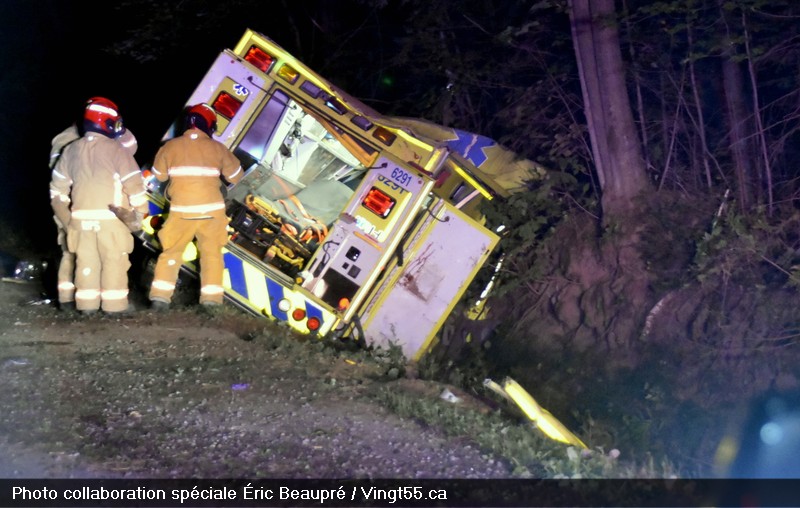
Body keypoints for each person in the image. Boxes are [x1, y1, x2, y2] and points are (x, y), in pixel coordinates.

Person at [49, 97, 148, 315]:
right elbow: (134, 184)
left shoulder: (70, 149)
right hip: (111, 218)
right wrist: (140, 212)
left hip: (80, 218)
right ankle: (114, 306)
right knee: (114, 260)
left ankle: (86, 306)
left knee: (86, 261)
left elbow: (57, 188)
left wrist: (68, 218)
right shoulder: (116, 150)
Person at [148, 103, 242, 310]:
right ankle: (211, 303)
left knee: (171, 252)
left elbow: (159, 174)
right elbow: (236, 176)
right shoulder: (218, 148)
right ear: (210, 126)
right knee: (212, 255)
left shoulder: (170, 147)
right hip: (211, 213)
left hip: (181, 211)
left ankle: (160, 299)